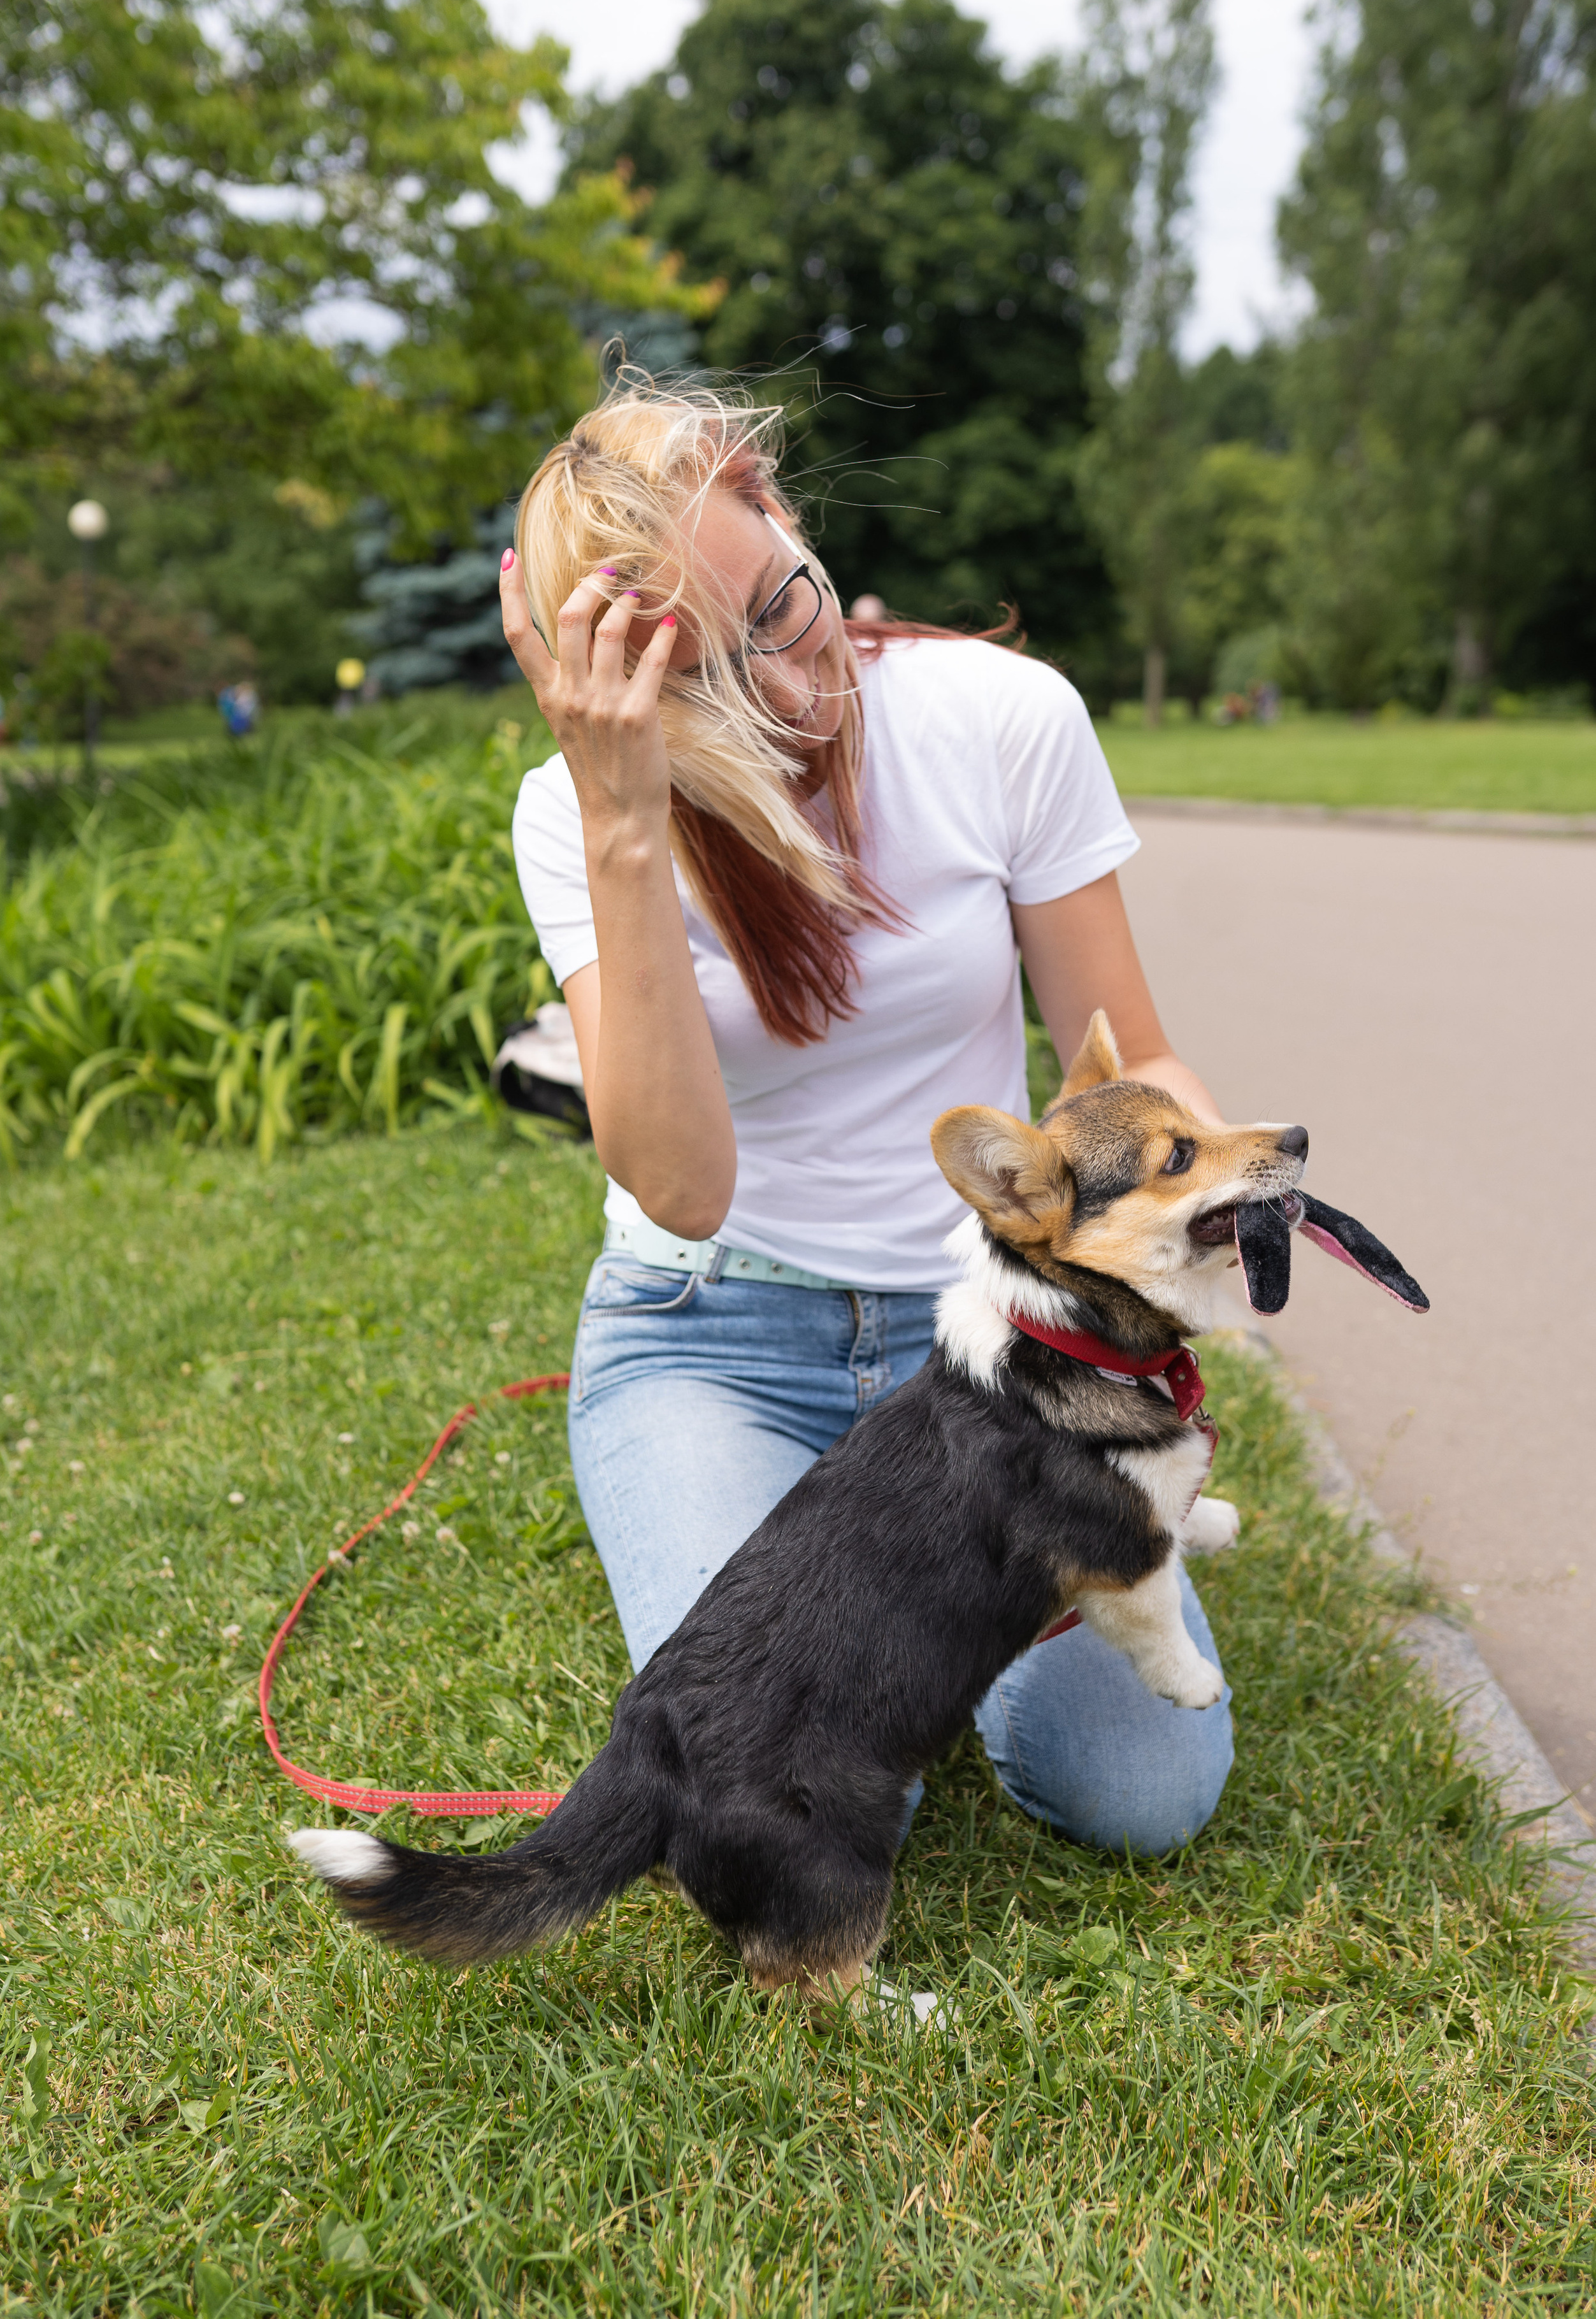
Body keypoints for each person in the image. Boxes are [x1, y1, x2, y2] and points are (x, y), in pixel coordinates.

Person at [505, 378, 1233, 1859]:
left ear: (784, 510)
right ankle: (875, 1584)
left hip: (995, 1350)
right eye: (702, 676)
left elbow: (1134, 1053)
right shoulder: (572, 819)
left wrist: (1204, 1234)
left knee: (1138, 1791)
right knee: (792, 1780)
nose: (784, 689)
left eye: (780, 609)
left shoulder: (997, 718)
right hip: (710, 1342)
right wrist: (628, 813)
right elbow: (681, 1185)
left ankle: (950, 1596)